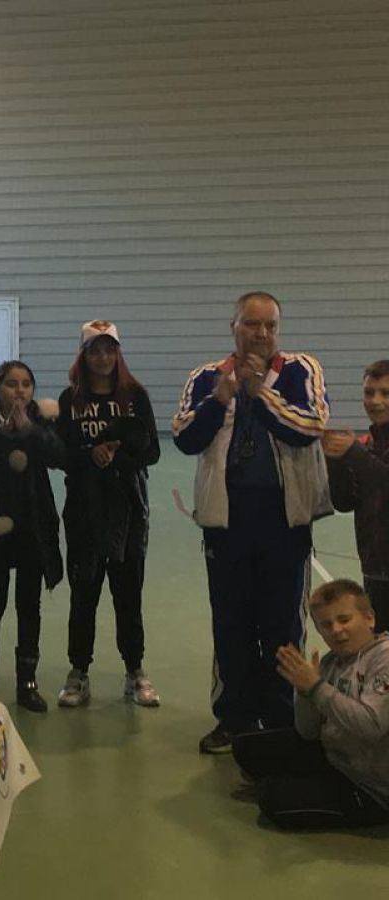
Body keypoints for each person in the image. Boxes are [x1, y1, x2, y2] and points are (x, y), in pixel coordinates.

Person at [172, 291, 331, 754]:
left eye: (270, 326)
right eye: (251, 324)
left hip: (284, 521)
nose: (261, 334)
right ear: (233, 326)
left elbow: (310, 427)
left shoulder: (301, 370)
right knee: (231, 624)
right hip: (227, 522)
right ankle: (235, 719)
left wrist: (260, 392)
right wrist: (220, 399)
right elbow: (184, 437)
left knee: (283, 627)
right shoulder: (206, 377)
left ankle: (281, 721)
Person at [55, 321, 161, 708]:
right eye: (95, 350)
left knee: (128, 594)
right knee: (84, 594)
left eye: (109, 349)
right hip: (84, 510)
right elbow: (60, 454)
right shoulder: (70, 400)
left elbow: (152, 452)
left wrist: (118, 456)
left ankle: (135, 671)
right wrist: (90, 454)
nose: (103, 357)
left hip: (128, 511)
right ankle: (78, 673)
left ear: (118, 353)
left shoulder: (135, 397)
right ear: (83, 355)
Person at [231, 579, 389, 829]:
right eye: (326, 625)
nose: (336, 630)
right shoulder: (330, 662)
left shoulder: (384, 659)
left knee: (274, 800)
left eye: (344, 619)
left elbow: (371, 725)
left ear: (369, 618)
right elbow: (308, 732)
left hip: (374, 785)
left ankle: (362, 806)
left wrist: (316, 687)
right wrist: (304, 693)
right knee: (245, 746)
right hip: (339, 756)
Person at [0, 361, 64, 712]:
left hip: (33, 523)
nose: (19, 390)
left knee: (29, 604)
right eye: (11, 384)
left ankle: (27, 681)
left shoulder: (42, 419)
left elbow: (58, 455)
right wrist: (1, 433)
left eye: (26, 384)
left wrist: (31, 432)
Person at [322, 360, 389, 630]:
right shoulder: (366, 445)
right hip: (374, 570)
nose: (376, 401)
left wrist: (353, 453)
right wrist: (336, 462)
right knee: (379, 647)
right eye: (369, 392)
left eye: (385, 393)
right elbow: (344, 502)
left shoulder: (360, 451)